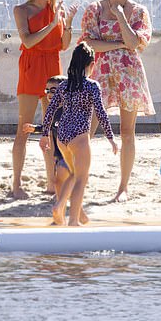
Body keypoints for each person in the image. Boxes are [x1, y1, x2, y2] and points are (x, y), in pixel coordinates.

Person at [79, 0, 155, 202]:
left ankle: (123, 187)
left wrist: (121, 16)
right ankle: (79, 179)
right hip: (100, 72)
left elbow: (136, 44)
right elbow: (88, 42)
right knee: (87, 127)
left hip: (129, 74)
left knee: (127, 131)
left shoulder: (139, 11)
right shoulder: (94, 9)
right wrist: (120, 43)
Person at [11, 0, 78, 199]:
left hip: (53, 66)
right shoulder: (21, 10)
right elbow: (28, 42)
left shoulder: (56, 9)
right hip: (31, 66)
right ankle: (16, 184)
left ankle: (52, 182)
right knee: (24, 128)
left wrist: (67, 22)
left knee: (53, 127)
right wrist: (50, 25)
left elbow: (63, 44)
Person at [40, 42, 118, 226]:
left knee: (73, 174)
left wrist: (45, 134)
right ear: (91, 65)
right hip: (80, 137)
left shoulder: (63, 86)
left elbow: (50, 110)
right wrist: (111, 138)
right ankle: (74, 220)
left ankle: (59, 206)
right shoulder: (92, 86)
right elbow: (101, 112)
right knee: (82, 179)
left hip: (62, 137)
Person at [22, 75, 72, 200]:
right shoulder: (54, 110)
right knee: (58, 178)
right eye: (47, 90)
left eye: (53, 90)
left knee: (65, 176)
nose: (49, 94)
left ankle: (66, 199)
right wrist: (35, 128)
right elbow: (49, 126)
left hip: (69, 153)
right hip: (59, 153)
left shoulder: (68, 111)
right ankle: (62, 197)